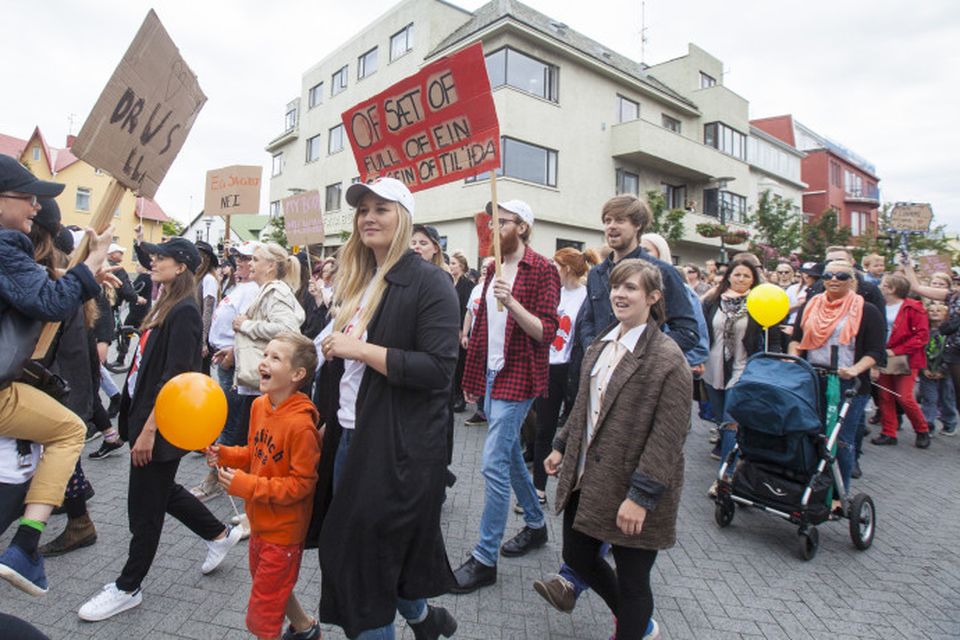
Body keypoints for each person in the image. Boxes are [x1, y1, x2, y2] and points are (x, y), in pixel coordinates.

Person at [310, 177, 458, 640]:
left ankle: (410, 618)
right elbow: (340, 364)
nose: (369, 217)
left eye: (382, 209)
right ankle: (422, 617)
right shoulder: (359, 280)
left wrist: (361, 350)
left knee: (359, 570)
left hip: (393, 448)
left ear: (404, 218)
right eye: (363, 210)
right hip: (348, 437)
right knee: (373, 554)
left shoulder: (430, 282)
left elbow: (438, 370)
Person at [77, 238, 243, 622]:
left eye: (161, 257)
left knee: (144, 510)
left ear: (182, 265)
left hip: (161, 425)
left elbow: (177, 380)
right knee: (162, 492)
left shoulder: (184, 311)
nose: (153, 261)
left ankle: (128, 587)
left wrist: (150, 430)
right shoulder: (165, 298)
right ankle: (218, 534)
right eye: (152, 256)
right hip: (144, 420)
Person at [544, 259, 692, 640]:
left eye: (630, 288)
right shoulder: (600, 345)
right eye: (616, 286)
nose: (619, 295)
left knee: (633, 581)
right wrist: (561, 445)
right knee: (577, 557)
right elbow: (583, 404)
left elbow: (669, 436)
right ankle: (637, 624)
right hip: (588, 478)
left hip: (633, 487)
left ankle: (632, 628)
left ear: (653, 297)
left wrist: (640, 497)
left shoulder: (667, 358)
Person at [0, 155, 117, 596]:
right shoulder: (6, 244)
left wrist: (76, 275)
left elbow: (29, 285)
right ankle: (25, 544)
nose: (34, 207)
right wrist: (90, 265)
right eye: (27, 198)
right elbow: (46, 302)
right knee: (69, 431)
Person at [452, 199, 560, 594]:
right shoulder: (494, 266)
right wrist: (473, 375)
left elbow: (547, 331)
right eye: (492, 220)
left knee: (494, 462)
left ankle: (485, 559)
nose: (494, 226)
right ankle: (535, 524)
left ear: (523, 227)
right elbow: (482, 325)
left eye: (503, 221)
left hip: (521, 375)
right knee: (511, 452)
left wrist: (512, 301)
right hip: (492, 372)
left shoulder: (543, 269)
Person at [207, 333, 322, 640]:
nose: (264, 363)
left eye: (275, 358)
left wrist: (246, 485)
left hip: (284, 533)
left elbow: (301, 485)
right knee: (272, 590)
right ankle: (306, 629)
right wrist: (226, 454)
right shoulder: (259, 406)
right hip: (259, 523)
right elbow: (254, 452)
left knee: (262, 615)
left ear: (297, 375)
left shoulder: (301, 426)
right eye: (265, 355)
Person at [788, 260, 885, 492]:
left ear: (852, 281)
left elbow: (876, 351)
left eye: (841, 276)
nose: (833, 280)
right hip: (813, 379)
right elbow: (796, 339)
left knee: (841, 440)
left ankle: (838, 494)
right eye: (828, 275)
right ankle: (809, 486)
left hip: (848, 383)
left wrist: (854, 369)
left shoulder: (866, 310)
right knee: (811, 434)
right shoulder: (811, 305)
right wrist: (794, 359)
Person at [580, 196, 698, 353]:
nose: (611, 226)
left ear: (638, 225)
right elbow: (587, 321)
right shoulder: (596, 273)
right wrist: (593, 348)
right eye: (607, 221)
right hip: (602, 369)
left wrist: (641, 351)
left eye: (620, 220)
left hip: (642, 372)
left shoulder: (662, 272)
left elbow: (687, 332)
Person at [191, 241, 261, 502]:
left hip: (235, 363)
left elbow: (249, 326)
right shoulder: (238, 286)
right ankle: (225, 473)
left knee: (230, 425)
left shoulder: (254, 290)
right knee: (229, 421)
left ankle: (218, 477)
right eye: (238, 257)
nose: (240, 262)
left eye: (247, 258)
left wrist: (233, 352)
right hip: (225, 360)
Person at [529, 247, 594, 508]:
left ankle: (575, 488)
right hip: (548, 367)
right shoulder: (551, 294)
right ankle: (539, 487)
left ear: (566, 269)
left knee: (576, 429)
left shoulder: (587, 297)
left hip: (573, 370)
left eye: (555, 266)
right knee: (544, 428)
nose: (551, 270)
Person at [701, 258, 764, 492]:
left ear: (753, 280)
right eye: (737, 274)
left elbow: (767, 337)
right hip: (713, 367)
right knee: (720, 421)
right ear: (729, 276)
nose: (741, 279)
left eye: (746, 276)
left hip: (742, 367)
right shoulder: (714, 300)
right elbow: (702, 329)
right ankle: (738, 461)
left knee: (730, 423)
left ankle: (725, 477)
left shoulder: (758, 303)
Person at [872, 273, 931, 448]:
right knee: (884, 395)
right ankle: (888, 432)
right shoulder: (879, 305)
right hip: (884, 355)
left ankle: (922, 429)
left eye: (883, 285)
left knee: (905, 397)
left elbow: (922, 336)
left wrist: (896, 351)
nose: (880, 287)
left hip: (906, 358)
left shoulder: (914, 308)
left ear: (892, 289)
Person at [461, 256, 494, 426]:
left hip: (492, 340)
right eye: (483, 266)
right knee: (478, 373)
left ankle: (490, 410)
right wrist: (465, 334)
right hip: (476, 336)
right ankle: (481, 410)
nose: (484, 268)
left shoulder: (498, 288)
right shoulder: (477, 289)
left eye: (489, 266)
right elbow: (469, 312)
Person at [919, 301, 958, 435]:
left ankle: (949, 421)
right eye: (931, 310)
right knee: (929, 397)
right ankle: (928, 424)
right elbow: (920, 351)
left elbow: (952, 352)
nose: (934, 312)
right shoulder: (924, 331)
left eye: (939, 310)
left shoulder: (950, 333)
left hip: (945, 370)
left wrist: (943, 370)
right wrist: (923, 369)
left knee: (947, 397)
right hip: (927, 370)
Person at [450, 251, 473, 413]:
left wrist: (460, 331)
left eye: (454, 264)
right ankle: (452, 395)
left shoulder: (467, 285)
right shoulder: (449, 282)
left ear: (462, 266)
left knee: (460, 365)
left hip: (460, 330)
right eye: (450, 263)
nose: (451, 266)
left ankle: (460, 397)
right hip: (448, 329)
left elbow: (466, 309)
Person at [195, 240, 220, 372]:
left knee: (202, 373)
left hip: (203, 335)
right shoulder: (198, 278)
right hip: (196, 334)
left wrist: (203, 341)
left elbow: (208, 311)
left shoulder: (208, 279)